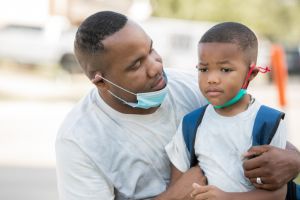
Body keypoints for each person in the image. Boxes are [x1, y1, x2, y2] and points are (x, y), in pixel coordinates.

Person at [55, 11, 300, 200]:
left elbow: (257, 136)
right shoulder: (79, 140)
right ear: (101, 81)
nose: (156, 66)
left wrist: (294, 160)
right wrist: (174, 196)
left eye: (151, 50)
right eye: (136, 65)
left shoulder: (195, 88)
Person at [165, 22, 289, 200]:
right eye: (204, 69)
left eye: (225, 70)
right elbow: (178, 186)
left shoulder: (268, 122)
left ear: (251, 74)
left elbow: (278, 193)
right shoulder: (191, 123)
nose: (212, 79)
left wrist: (226, 197)